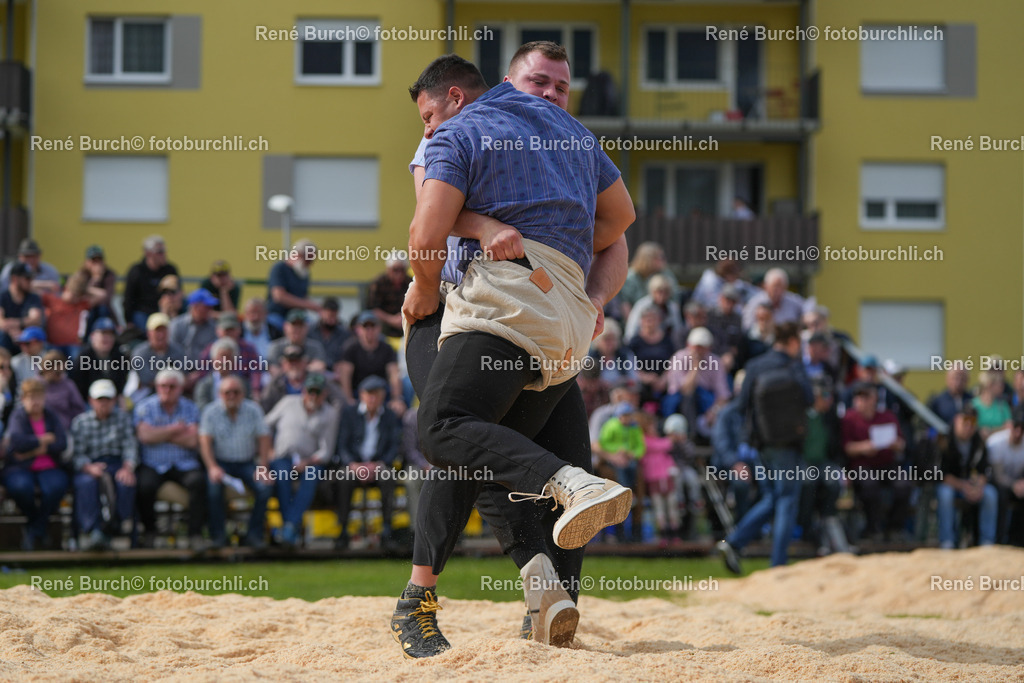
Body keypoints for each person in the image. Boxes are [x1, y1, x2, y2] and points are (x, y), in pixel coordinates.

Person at [394, 49, 633, 657]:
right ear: (507, 83)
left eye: (561, 86)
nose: (550, 95)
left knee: (455, 434)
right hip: (539, 314)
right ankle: (548, 592)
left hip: (491, 304)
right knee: (491, 447)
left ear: (456, 98)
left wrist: (551, 264)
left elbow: (427, 228)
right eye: (539, 82)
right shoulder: (564, 137)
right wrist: (561, 263)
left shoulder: (470, 130)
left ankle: (421, 600)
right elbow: (620, 223)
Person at [717, 322, 811, 573]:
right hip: (788, 445)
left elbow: (742, 405)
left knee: (772, 497)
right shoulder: (794, 366)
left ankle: (734, 542)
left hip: (762, 444)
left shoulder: (755, 365)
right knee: (787, 500)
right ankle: (778, 564)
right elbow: (810, 398)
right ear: (793, 341)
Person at [134, 369, 205, 550]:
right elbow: (145, 436)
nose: (167, 390)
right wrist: (175, 429)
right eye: (163, 386)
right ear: (157, 387)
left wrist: (159, 433)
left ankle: (195, 535)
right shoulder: (145, 406)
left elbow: (192, 440)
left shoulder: (190, 407)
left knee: (198, 482)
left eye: (172, 386)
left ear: (180, 388)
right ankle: (150, 532)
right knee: (144, 486)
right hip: (153, 464)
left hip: (184, 463)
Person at [265, 373, 340, 547]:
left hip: (310, 461)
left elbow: (326, 450)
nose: (312, 396)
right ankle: (290, 528)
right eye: (309, 391)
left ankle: (288, 527)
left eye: (317, 392)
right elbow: (265, 425)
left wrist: (307, 462)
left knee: (311, 476)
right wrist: (268, 449)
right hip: (282, 457)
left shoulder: (330, 414)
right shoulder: (288, 402)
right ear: (304, 391)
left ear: (324, 393)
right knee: (282, 475)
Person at [199, 374, 273, 549]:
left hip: (247, 462)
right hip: (221, 463)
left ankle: (254, 535)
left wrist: (263, 467)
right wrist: (212, 467)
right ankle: (218, 536)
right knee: (213, 490)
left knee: (265, 488)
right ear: (220, 394)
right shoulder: (211, 411)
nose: (231, 396)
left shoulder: (253, 410)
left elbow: (264, 438)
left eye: (236, 392)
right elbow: (205, 442)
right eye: (227, 392)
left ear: (243, 393)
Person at [332, 375, 403, 550]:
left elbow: (394, 446)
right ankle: (343, 529)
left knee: (388, 477)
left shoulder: (389, 416)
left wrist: (378, 465)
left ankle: (386, 530)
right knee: (343, 478)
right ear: (361, 395)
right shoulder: (349, 413)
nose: (372, 398)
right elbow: (342, 445)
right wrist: (354, 465)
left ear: (383, 396)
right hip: (354, 465)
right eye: (368, 394)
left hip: (378, 464)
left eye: (376, 394)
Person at [2, 377, 69, 550]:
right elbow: (17, 442)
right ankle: (38, 527)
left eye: (38, 397)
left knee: (55, 487)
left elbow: (61, 443)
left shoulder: (51, 415)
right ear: (23, 399)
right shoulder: (18, 416)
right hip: (20, 468)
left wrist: (33, 450)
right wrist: (43, 439)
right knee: (21, 487)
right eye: (31, 397)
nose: (35, 401)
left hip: (49, 466)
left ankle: (35, 529)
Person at [70, 379, 136, 551]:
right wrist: (88, 467)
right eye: (100, 399)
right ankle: (92, 531)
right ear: (91, 400)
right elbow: (76, 454)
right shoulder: (80, 422)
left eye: (107, 399)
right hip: (89, 465)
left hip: (117, 463)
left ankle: (119, 527)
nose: (103, 403)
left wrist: (127, 467)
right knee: (86, 484)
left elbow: (130, 446)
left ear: (114, 400)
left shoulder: (123, 419)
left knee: (125, 483)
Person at [840, 382, 912, 541]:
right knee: (869, 486)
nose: (862, 401)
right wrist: (864, 447)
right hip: (861, 466)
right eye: (859, 397)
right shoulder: (849, 419)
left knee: (904, 485)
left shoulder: (887, 416)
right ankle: (873, 529)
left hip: (886, 464)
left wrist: (897, 445)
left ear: (875, 399)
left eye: (866, 397)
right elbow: (846, 447)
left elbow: (902, 444)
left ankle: (894, 528)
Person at [937, 404, 998, 549]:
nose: (969, 427)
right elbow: (940, 474)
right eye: (965, 422)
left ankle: (987, 542)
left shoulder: (978, 441)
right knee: (945, 494)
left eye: (972, 423)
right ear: (957, 420)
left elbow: (985, 470)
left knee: (990, 494)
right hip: (951, 485)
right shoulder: (944, 439)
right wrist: (963, 486)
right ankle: (947, 541)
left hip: (971, 485)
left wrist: (978, 486)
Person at [663, 327, 730, 435]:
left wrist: (713, 411)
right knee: (688, 397)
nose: (698, 351)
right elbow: (686, 389)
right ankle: (690, 434)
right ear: (688, 345)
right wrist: (695, 366)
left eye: (702, 347)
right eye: (696, 347)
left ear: (709, 348)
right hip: (678, 402)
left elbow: (723, 395)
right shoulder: (678, 358)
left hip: (704, 402)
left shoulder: (716, 362)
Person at [338, 311, 402, 412]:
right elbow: (345, 376)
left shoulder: (387, 348)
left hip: (382, 392)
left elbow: (394, 374)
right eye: (365, 327)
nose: (369, 330)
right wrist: (349, 399)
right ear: (358, 329)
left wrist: (396, 399)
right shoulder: (350, 348)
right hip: (358, 392)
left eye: (373, 326)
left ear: (379, 328)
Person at [196, 312, 264, 396]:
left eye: (232, 330)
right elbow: (202, 374)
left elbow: (256, 371)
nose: (229, 333)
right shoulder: (210, 350)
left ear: (239, 330)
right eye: (226, 330)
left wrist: (255, 389)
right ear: (218, 331)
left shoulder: (249, 349)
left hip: (242, 390)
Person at [639, 412, 681, 545]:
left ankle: (674, 531)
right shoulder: (645, 441)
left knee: (671, 505)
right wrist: (671, 438)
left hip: (666, 478)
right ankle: (663, 533)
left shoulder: (658, 441)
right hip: (654, 479)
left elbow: (667, 455)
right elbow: (662, 445)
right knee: (659, 507)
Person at [126, 313, 187, 403]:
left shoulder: (178, 351)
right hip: (147, 394)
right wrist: (170, 379)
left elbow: (183, 375)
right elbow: (146, 378)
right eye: (157, 331)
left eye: (163, 330)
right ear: (149, 333)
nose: (160, 335)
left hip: (174, 392)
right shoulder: (139, 353)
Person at [123, 235, 179, 331]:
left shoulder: (170, 270)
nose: (164, 254)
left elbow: (178, 291)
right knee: (145, 326)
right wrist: (128, 321)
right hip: (143, 311)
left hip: (165, 309)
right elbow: (128, 297)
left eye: (164, 251)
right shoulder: (137, 271)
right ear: (148, 253)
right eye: (159, 252)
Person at [41, 269, 100, 358]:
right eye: (74, 294)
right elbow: (30, 288)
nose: (76, 299)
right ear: (66, 288)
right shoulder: (52, 299)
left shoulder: (81, 304)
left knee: (78, 360)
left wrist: (84, 289)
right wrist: (47, 285)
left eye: (78, 296)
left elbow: (102, 295)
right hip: (53, 344)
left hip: (73, 345)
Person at [987, 408, 1024, 545]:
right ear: (1010, 426)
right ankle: (999, 540)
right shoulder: (996, 443)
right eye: (1016, 427)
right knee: (1000, 496)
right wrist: (1014, 485)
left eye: (1022, 428)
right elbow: (998, 476)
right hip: (999, 484)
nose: (1018, 432)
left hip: (1019, 484)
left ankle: (1018, 542)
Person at [70, 318, 129, 402]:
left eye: (111, 334)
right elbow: (78, 386)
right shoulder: (83, 358)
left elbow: (122, 383)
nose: (107, 338)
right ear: (92, 336)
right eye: (103, 333)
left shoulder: (120, 357)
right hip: (88, 402)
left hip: (113, 401)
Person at [266, 239, 319, 330]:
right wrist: (309, 305)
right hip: (278, 315)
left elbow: (303, 296)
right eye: (308, 259)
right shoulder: (280, 268)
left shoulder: (304, 273)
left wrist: (318, 307)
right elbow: (279, 296)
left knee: (313, 327)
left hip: (298, 316)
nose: (309, 264)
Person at [618, 242, 678, 321]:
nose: (664, 260)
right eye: (660, 257)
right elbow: (625, 304)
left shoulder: (666, 275)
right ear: (648, 259)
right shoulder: (631, 277)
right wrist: (633, 323)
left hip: (664, 320)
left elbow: (675, 300)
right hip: (637, 319)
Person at [193, 338, 251, 411]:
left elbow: (247, 405)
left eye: (228, 357)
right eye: (221, 357)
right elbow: (202, 407)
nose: (224, 361)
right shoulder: (203, 385)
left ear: (234, 360)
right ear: (213, 359)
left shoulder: (243, 384)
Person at [741, 268, 806, 332]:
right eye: (774, 286)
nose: (777, 290)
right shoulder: (754, 303)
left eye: (781, 286)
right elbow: (747, 327)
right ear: (766, 286)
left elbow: (807, 307)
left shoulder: (793, 301)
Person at [0, 262, 45, 354]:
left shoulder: (33, 297)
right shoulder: (2, 297)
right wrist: (13, 330)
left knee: (34, 336)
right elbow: (1, 323)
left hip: (27, 339)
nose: (31, 281)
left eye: (31, 278)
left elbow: (36, 319)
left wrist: (19, 330)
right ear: (14, 279)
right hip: (7, 337)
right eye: (27, 278)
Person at [267, 308, 329, 373]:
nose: (297, 329)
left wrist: (298, 367)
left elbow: (320, 366)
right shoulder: (275, 346)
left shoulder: (315, 346)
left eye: (300, 326)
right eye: (294, 325)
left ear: (306, 327)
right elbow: (272, 369)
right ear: (286, 327)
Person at [39, 349, 86, 431]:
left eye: (62, 372)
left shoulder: (69, 385)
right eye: (57, 372)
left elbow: (79, 409)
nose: (60, 375)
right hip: (41, 429)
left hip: (65, 429)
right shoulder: (36, 385)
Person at [368, 256, 413, 338]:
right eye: (395, 270)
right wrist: (391, 319)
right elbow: (373, 308)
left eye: (402, 270)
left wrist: (405, 318)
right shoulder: (378, 283)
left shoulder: (411, 283)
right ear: (388, 269)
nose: (399, 273)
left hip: (407, 320)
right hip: (385, 323)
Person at [170, 289, 219, 361]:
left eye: (210, 307)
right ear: (195, 306)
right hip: (179, 365)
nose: (210, 309)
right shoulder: (177, 325)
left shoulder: (213, 327)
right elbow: (171, 351)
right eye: (207, 306)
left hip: (204, 367)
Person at [309, 296, 350, 373]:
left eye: (335, 316)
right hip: (313, 371)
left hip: (335, 373)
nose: (332, 320)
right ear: (321, 313)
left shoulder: (344, 334)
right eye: (330, 316)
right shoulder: (310, 331)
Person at [81, 245, 118, 329]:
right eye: (94, 261)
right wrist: (95, 279)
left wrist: (97, 279)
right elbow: (82, 298)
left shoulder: (109, 275)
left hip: (103, 310)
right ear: (87, 262)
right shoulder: (82, 275)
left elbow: (107, 298)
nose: (97, 264)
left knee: (102, 309)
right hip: (85, 311)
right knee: (88, 314)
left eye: (99, 260)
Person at [972, 370, 1012, 440]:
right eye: (1000, 384)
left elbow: (1009, 427)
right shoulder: (973, 405)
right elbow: (971, 427)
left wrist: (990, 432)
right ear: (990, 385)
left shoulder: (1003, 404)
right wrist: (1000, 429)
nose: (1003, 387)